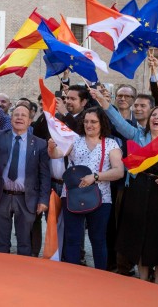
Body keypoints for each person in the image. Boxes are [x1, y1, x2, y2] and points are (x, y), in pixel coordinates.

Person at [96, 88, 158, 284]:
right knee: (140, 238)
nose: (156, 118)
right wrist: (103, 101)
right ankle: (143, 279)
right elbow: (118, 121)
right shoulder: (138, 135)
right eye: (154, 115)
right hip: (138, 193)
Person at [48, 106, 124, 270]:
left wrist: (95, 177)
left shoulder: (110, 144)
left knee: (98, 239)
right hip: (72, 196)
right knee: (73, 238)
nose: (89, 125)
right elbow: (56, 154)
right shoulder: (74, 140)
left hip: (101, 199)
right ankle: (73, 276)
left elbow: (119, 171)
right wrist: (51, 147)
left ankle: (100, 276)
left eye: (93, 122)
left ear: (102, 123)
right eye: (86, 121)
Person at [0, 104, 50, 255]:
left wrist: (43, 200)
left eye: (23, 115)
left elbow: (44, 174)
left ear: (30, 121)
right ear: (10, 119)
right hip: (1, 196)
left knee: (24, 242)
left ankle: (22, 275)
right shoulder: (0, 136)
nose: (19, 118)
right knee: (1, 241)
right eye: (16, 115)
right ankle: (0, 274)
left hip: (26, 198)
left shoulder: (40, 144)